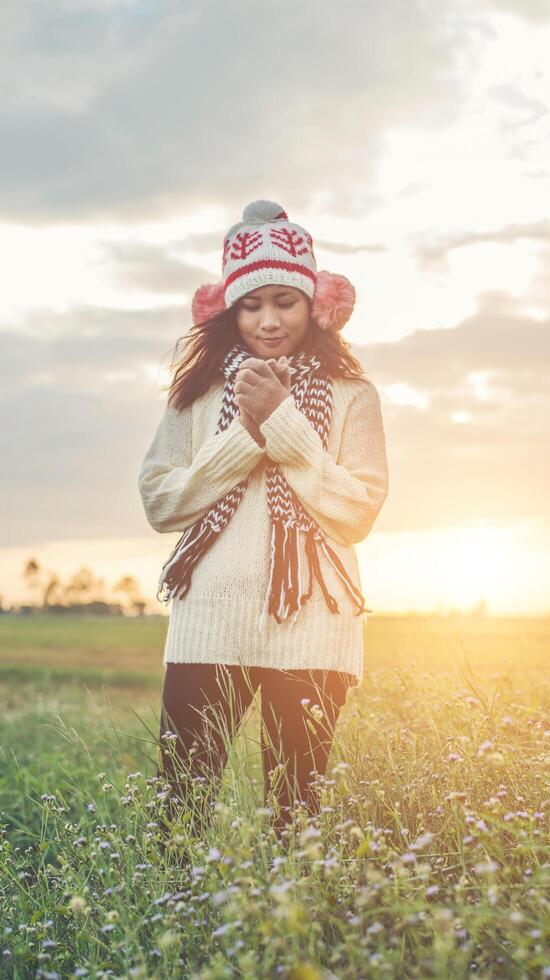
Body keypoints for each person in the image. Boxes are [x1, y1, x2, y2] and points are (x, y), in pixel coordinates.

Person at [138, 199, 389, 843]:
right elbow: (162, 502)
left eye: (286, 301)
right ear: (227, 308)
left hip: (313, 629)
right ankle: (182, 934)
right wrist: (246, 435)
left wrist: (281, 421)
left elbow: (357, 512)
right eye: (251, 305)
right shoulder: (196, 394)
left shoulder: (352, 395)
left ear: (316, 304)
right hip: (207, 625)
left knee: (295, 820)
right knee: (180, 814)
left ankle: (289, 933)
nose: (269, 321)